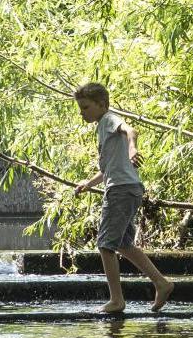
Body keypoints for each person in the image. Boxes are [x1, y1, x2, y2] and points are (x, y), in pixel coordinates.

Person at [73, 82, 176, 315]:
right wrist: (88, 184)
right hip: (126, 188)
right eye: (80, 108)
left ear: (102, 104)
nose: (82, 113)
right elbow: (109, 168)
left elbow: (131, 130)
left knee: (105, 244)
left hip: (121, 190)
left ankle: (117, 300)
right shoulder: (102, 125)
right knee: (122, 244)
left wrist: (133, 148)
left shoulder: (109, 118)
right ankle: (161, 283)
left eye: (86, 107)